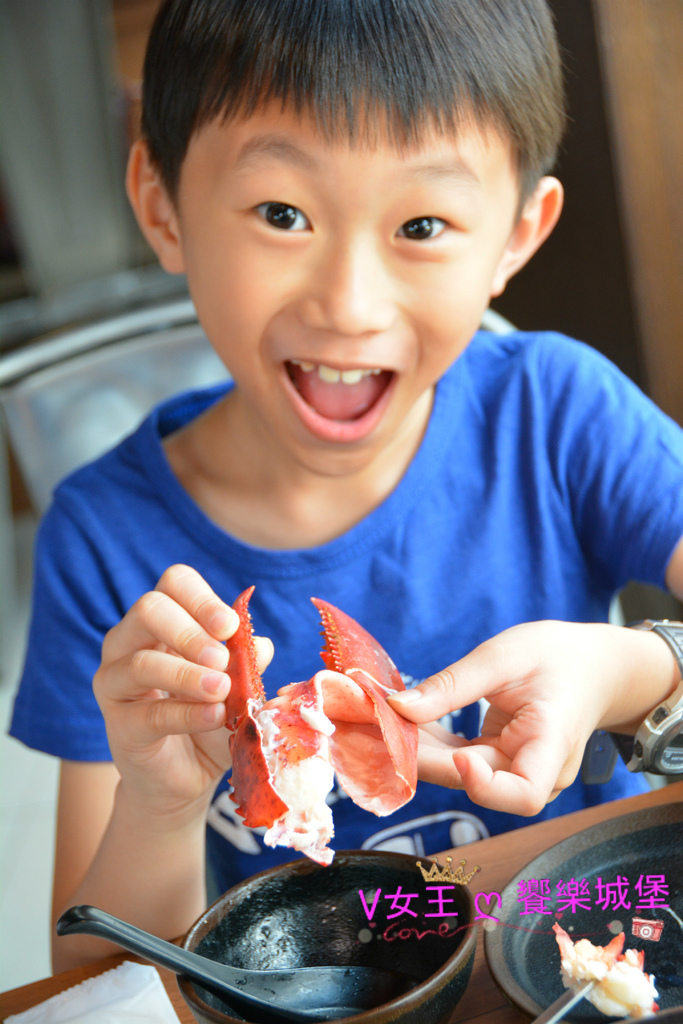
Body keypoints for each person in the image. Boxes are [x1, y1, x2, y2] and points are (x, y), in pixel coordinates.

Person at [9, 0, 683, 973]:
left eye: (420, 222)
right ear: (161, 207)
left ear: (514, 235)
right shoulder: (102, 540)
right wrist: (158, 801)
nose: (349, 304)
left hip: (584, 963)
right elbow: (90, 982)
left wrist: (633, 674)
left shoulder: (558, 414)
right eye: (282, 213)